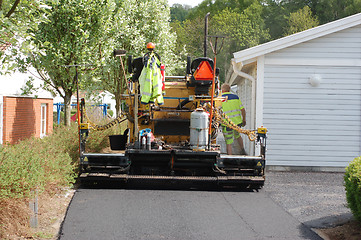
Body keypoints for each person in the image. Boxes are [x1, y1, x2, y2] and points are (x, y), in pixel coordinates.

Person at [221, 83, 247, 155]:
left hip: (227, 124)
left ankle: (230, 157)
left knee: (228, 142)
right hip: (237, 123)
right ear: (229, 89)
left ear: (222, 90)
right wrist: (244, 120)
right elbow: (243, 110)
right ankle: (242, 150)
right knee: (238, 135)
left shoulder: (220, 99)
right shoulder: (236, 97)